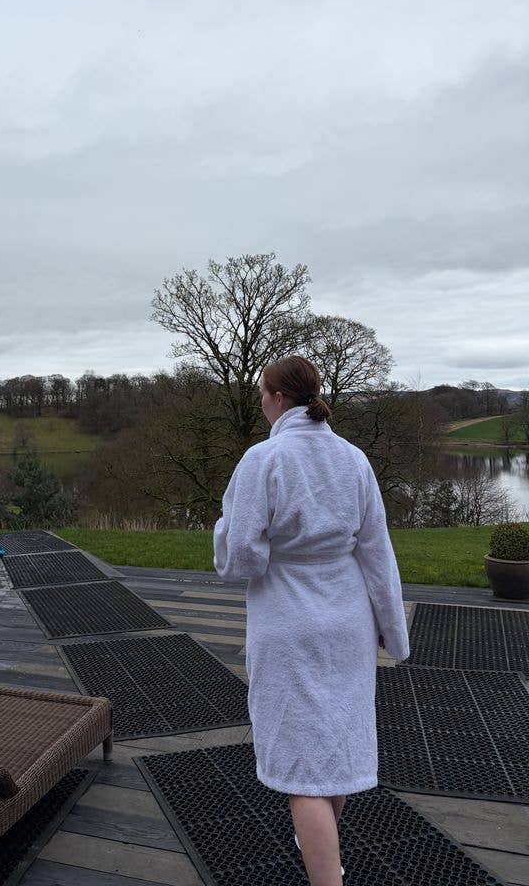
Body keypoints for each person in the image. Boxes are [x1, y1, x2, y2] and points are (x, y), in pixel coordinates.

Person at [213, 356, 409, 886]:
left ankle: (326, 873)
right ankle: (321, 839)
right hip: (348, 619)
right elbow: (377, 553)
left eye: (261, 395)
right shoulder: (353, 459)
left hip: (289, 619)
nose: (260, 404)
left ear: (278, 398)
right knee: (336, 743)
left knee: (302, 766)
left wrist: (223, 529)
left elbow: (242, 559)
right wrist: (394, 628)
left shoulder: (263, 459)